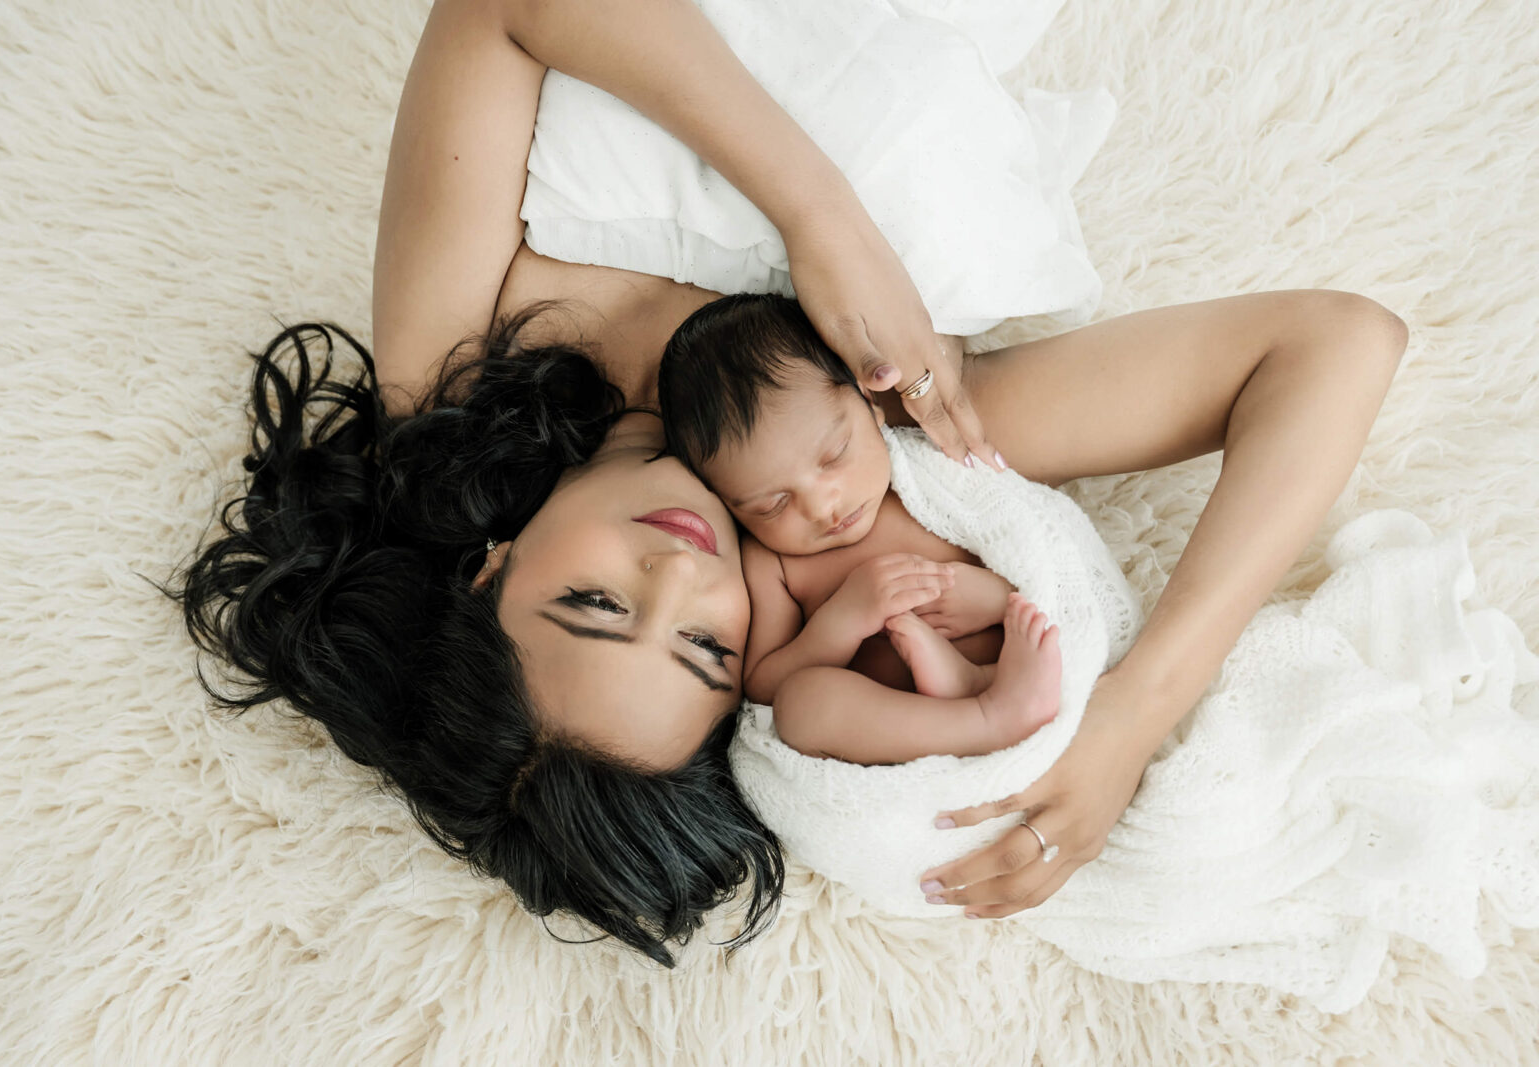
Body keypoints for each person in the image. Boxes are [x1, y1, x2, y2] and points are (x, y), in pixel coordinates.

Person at [181, 0, 1407, 965]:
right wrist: (1134, 711)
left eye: (596, 605)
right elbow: (1339, 343)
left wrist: (821, 213)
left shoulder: (450, 373)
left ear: (488, 569)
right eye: (706, 651)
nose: (681, 571)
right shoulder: (873, 467)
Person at [659, 293, 1064, 765]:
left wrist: (995, 595)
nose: (822, 506)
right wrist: (844, 618)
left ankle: (981, 690)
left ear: (869, 405)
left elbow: (1039, 547)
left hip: (1010, 665)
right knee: (800, 706)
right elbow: (765, 684)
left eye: (834, 456)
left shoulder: (928, 480)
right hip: (897, 723)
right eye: (772, 504)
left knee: (1040, 627)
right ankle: (983, 720)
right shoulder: (773, 562)